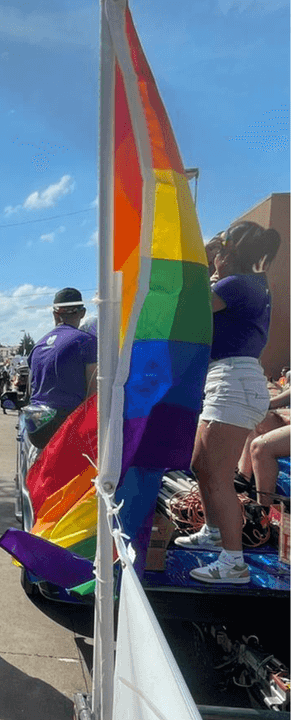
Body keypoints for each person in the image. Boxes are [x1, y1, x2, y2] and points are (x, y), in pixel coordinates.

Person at [175, 221, 281, 584]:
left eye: (220, 251)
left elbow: (189, 308)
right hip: (230, 379)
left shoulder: (237, 285)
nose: (214, 257)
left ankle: (233, 562)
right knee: (201, 465)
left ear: (230, 254)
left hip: (234, 381)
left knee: (217, 473)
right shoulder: (249, 284)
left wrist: (201, 261)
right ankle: (216, 532)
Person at [26, 288, 97, 447]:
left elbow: (31, 391)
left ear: (55, 314)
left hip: (36, 429)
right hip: (65, 429)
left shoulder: (38, 345)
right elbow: (94, 393)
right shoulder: (86, 341)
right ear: (82, 313)